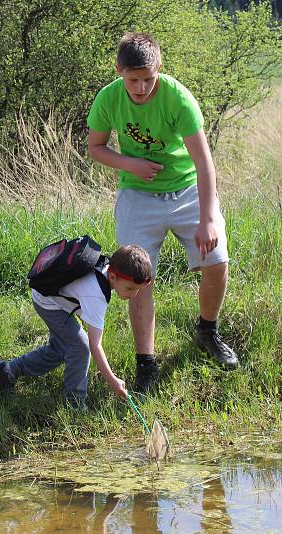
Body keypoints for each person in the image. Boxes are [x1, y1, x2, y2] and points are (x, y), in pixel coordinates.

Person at [86, 32, 239, 394]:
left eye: (147, 79)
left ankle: (207, 331)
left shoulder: (178, 98)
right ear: (120, 71)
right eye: (133, 80)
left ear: (159, 69)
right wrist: (130, 164)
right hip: (138, 193)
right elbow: (95, 147)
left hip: (186, 188)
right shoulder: (108, 99)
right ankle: (146, 364)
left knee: (216, 259)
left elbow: (204, 163)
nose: (140, 88)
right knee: (136, 275)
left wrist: (205, 219)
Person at [0, 245, 153, 409]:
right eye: (130, 288)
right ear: (112, 275)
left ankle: (9, 370)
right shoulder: (96, 294)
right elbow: (94, 345)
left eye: (138, 290)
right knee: (80, 347)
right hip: (49, 302)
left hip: (56, 298)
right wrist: (113, 381)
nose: (134, 295)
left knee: (61, 348)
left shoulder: (106, 268)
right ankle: (75, 405)